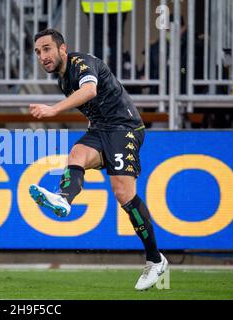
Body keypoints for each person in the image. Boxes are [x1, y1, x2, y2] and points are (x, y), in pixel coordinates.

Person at [28, 28, 168, 291]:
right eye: (37, 52)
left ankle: (155, 260)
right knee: (76, 154)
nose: (42, 56)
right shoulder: (62, 79)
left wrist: (54, 109)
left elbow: (90, 91)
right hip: (101, 129)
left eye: (47, 49)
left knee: (123, 193)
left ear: (62, 49)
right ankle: (64, 199)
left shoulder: (82, 64)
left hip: (124, 127)